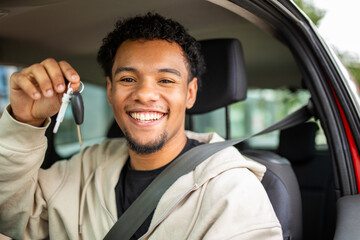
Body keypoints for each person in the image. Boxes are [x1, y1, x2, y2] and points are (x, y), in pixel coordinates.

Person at [0, 13, 282, 239]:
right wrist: (24, 121)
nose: (145, 94)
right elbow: (12, 214)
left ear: (190, 93)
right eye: (127, 79)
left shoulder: (232, 191)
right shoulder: (85, 166)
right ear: (110, 91)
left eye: (166, 80)